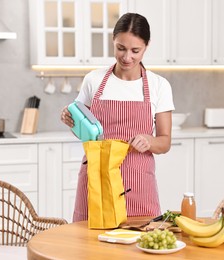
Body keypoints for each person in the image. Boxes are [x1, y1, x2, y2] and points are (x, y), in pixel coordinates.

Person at [60, 13, 175, 222]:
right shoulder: (93, 80)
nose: (127, 57)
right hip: (96, 178)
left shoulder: (159, 86)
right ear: (113, 41)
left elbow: (165, 142)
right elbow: (84, 132)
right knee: (90, 247)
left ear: (146, 47)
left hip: (137, 181)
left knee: (139, 246)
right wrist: (70, 120)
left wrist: (149, 141)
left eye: (135, 50)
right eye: (120, 48)